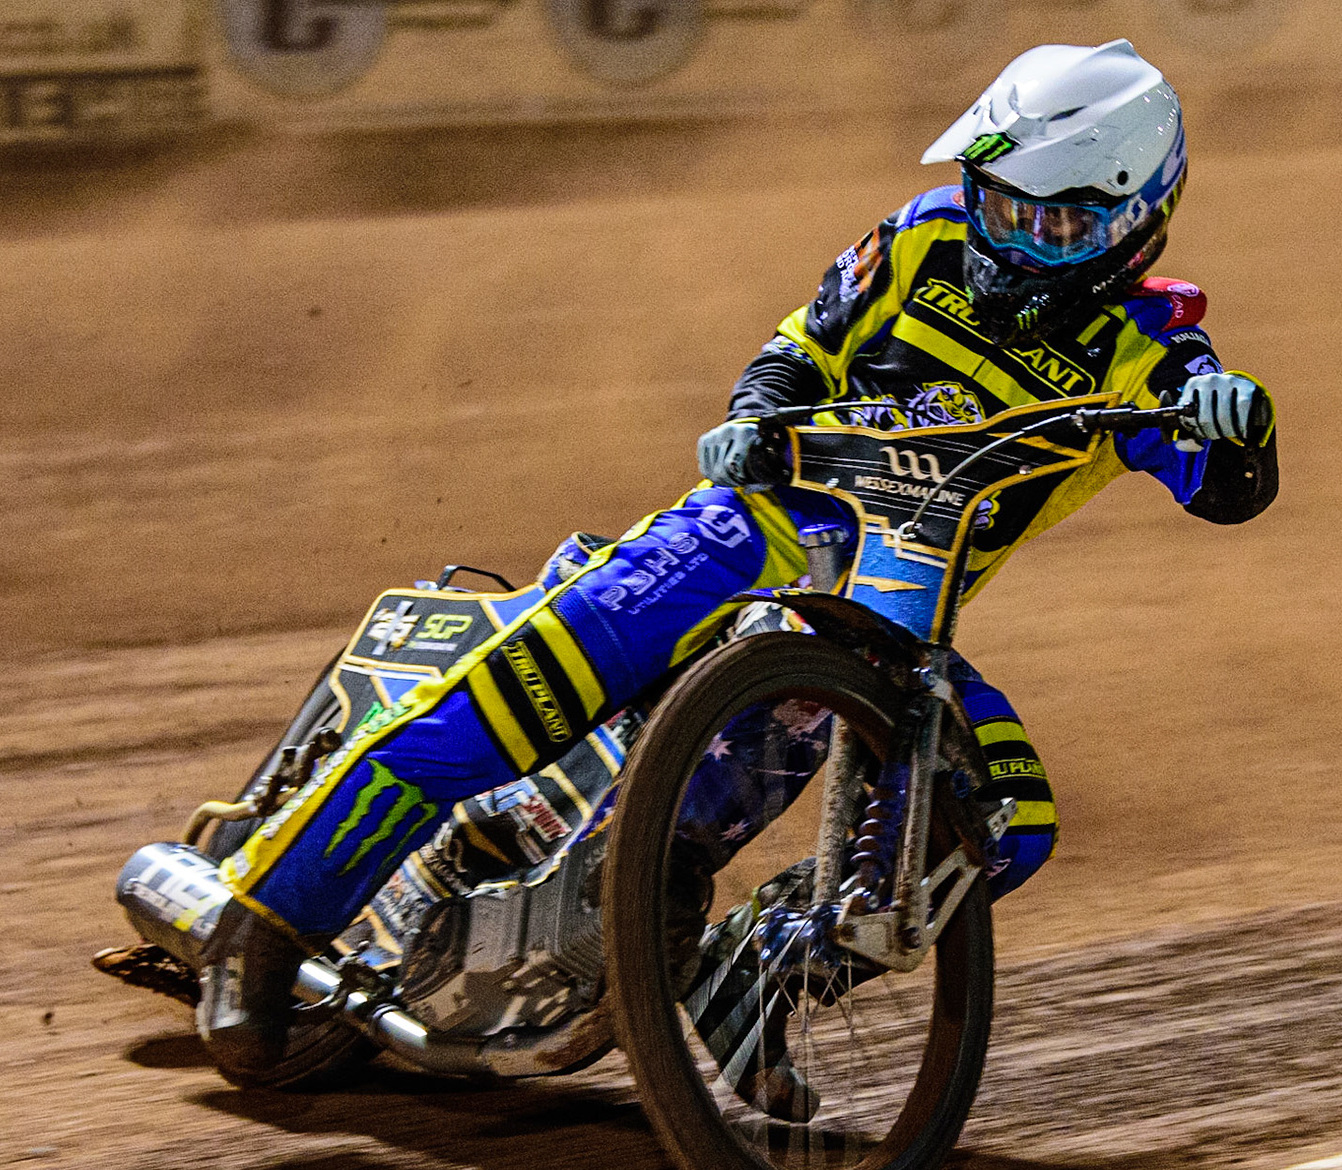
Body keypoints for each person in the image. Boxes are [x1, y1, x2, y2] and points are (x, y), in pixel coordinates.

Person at [196, 38, 1279, 1098]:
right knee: (509, 700)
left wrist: (1236, 430)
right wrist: (755, 416)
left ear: (1137, 222)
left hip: (887, 622)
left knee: (1010, 820)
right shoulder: (922, 239)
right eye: (1004, 205)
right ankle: (270, 915)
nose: (1021, 239)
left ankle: (752, 971)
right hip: (745, 531)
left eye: (1057, 220)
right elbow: (799, 348)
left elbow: (1226, 486)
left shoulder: (1158, 350)